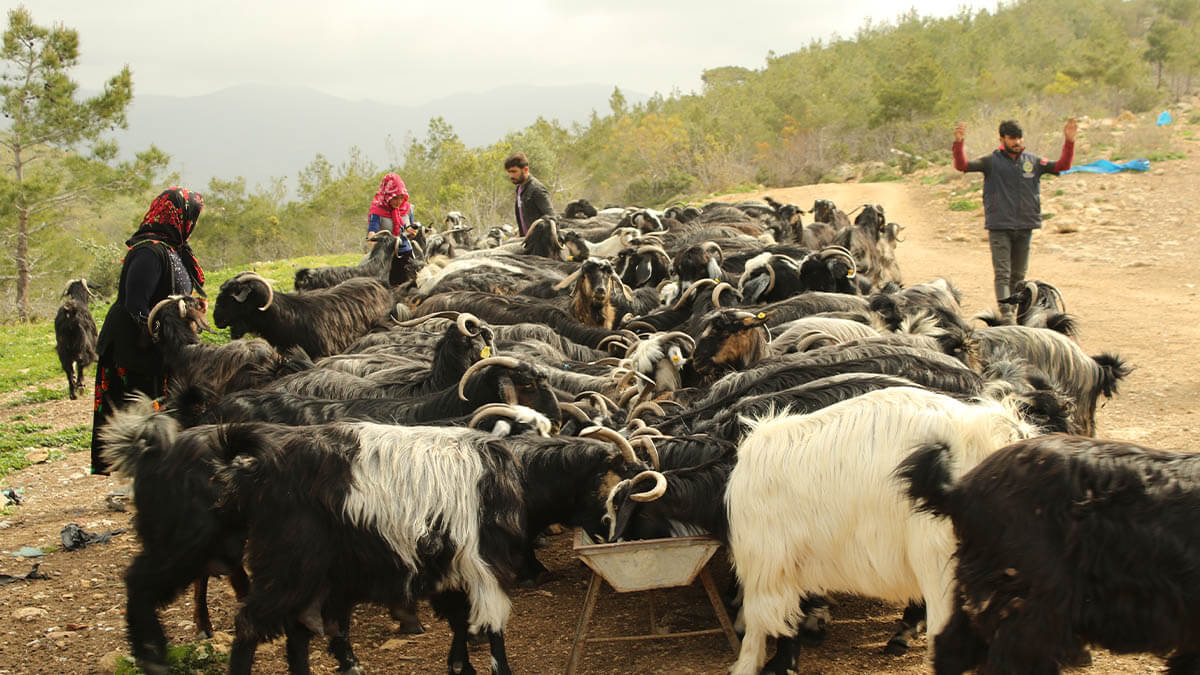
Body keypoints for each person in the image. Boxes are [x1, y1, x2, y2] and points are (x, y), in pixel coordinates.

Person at [91, 187, 206, 475]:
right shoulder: (149, 252)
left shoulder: (174, 250)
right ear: (179, 217)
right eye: (192, 216)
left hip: (163, 346)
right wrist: (159, 332)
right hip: (134, 349)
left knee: (161, 409)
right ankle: (140, 477)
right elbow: (135, 303)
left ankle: (159, 471)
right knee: (138, 410)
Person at [954, 117, 1077, 322]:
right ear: (1002, 139)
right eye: (1012, 138)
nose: (1017, 142)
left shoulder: (1032, 161)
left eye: (1019, 138)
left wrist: (1069, 141)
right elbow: (963, 165)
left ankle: (1017, 313)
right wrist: (959, 144)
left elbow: (1062, 165)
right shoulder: (990, 162)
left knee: (1019, 275)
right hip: (999, 225)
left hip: (1025, 224)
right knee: (1003, 273)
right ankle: (1007, 314)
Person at [365, 172, 417, 283]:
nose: (399, 202)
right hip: (386, 255)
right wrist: (373, 239)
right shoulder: (377, 211)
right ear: (388, 196)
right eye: (395, 198)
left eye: (401, 198)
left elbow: (411, 227)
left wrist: (412, 232)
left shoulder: (408, 209)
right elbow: (372, 231)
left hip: (405, 252)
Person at [505, 152, 554, 236]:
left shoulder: (536, 189)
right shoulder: (519, 188)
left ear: (525, 169)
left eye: (514, 171)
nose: (511, 176)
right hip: (526, 240)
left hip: (539, 243)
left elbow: (552, 219)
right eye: (509, 172)